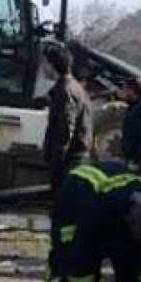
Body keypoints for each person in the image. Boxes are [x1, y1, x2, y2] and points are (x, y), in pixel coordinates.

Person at [41, 44, 93, 193]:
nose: (43, 67)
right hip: (77, 158)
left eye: (45, 63)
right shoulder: (75, 86)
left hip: (69, 161)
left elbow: (64, 130)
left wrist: (56, 163)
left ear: (53, 65)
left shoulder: (65, 91)